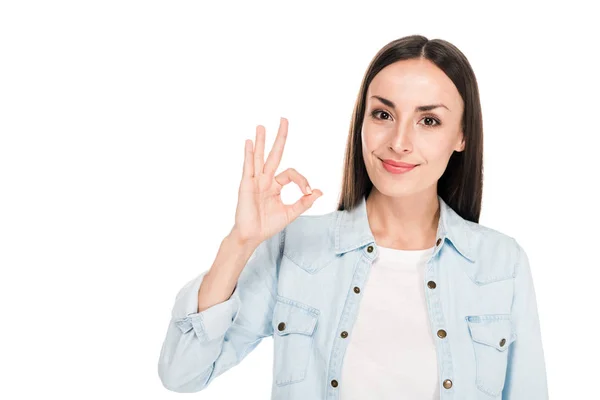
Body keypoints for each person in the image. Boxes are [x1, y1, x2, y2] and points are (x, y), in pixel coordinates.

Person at [157, 34, 549, 399]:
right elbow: (182, 373)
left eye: (428, 121)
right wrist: (239, 243)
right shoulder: (295, 249)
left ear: (462, 136)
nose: (398, 142)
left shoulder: (502, 263)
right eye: (383, 114)